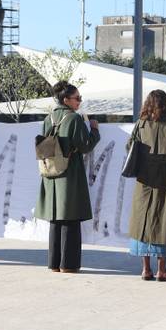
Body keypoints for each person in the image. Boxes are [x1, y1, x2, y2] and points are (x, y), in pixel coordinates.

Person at [34, 81, 101, 273]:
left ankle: (54, 263)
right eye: (77, 98)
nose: (80, 101)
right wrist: (94, 130)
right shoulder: (74, 119)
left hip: (50, 173)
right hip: (69, 173)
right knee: (71, 218)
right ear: (66, 100)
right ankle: (68, 265)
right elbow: (85, 146)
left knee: (55, 220)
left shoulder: (49, 118)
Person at [127, 90, 166, 281]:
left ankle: (145, 268)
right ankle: (162, 269)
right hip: (165, 176)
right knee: (164, 219)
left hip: (144, 176)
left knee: (143, 218)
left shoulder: (141, 124)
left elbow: (129, 147)